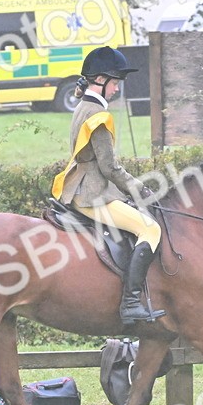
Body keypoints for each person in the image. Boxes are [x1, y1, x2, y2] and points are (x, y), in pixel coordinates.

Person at [51, 46, 165, 325]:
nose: (116, 89)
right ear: (100, 81)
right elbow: (110, 168)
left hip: (81, 187)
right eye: (114, 83)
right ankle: (130, 303)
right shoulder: (98, 117)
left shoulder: (83, 105)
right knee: (150, 229)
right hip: (92, 194)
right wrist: (141, 189)